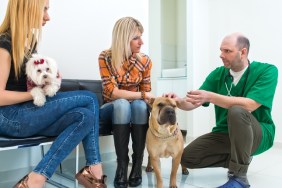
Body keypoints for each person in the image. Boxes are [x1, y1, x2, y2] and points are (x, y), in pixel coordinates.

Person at [0, 0, 107, 187]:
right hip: (9, 118)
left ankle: (37, 177)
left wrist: (50, 79)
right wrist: (35, 93)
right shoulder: (4, 44)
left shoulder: (27, 44)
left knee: (85, 116)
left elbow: (27, 84)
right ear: (29, 9)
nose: (48, 17)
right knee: (90, 98)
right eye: (45, 9)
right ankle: (94, 173)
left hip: (26, 113)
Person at [164, 32, 278, 188]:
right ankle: (241, 160)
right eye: (221, 50)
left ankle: (239, 178)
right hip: (225, 133)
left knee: (237, 110)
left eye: (227, 51)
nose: (221, 55)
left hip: (259, 133)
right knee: (187, 157)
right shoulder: (218, 74)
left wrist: (210, 97)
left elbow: (250, 105)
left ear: (243, 52)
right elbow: (193, 102)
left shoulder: (267, 71)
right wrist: (178, 101)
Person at [98, 17, 154, 188]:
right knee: (122, 103)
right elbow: (113, 93)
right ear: (123, 38)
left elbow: (145, 96)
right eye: (136, 37)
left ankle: (137, 165)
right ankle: (122, 165)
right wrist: (141, 94)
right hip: (111, 108)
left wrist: (148, 98)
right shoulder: (105, 57)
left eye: (141, 36)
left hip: (135, 108)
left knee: (139, 105)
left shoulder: (145, 61)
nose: (141, 42)